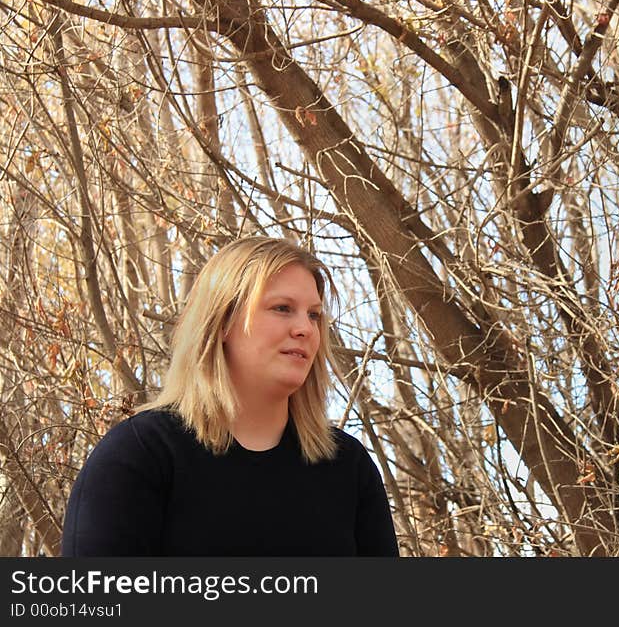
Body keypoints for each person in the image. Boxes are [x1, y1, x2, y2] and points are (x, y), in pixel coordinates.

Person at [61, 236, 399, 556]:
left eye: (314, 314)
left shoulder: (347, 468)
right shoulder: (141, 454)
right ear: (222, 321)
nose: (306, 329)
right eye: (282, 308)